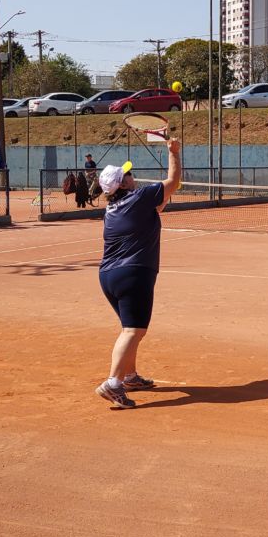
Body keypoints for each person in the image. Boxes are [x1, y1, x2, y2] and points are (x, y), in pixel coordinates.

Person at [94, 137, 182, 409]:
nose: (132, 176)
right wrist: (174, 153)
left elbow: (156, 206)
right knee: (134, 330)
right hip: (134, 273)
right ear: (123, 184)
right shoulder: (139, 197)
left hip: (109, 277)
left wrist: (163, 196)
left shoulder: (111, 209)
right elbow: (175, 181)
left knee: (129, 328)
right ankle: (113, 383)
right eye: (128, 175)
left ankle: (130, 376)